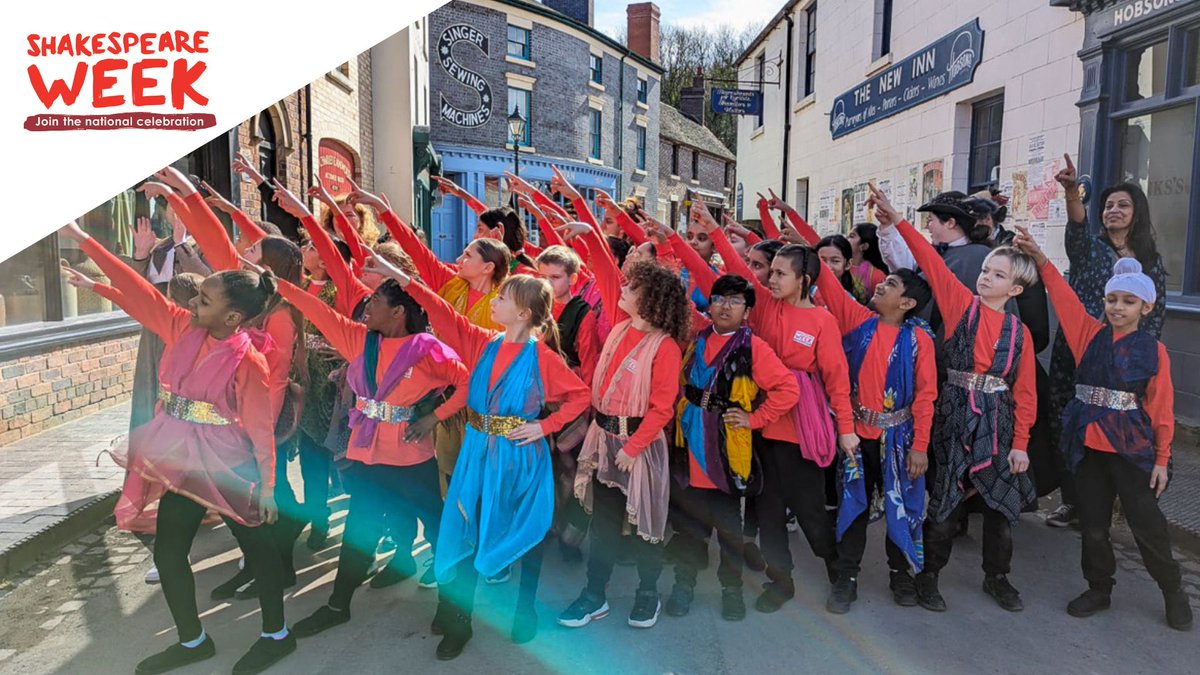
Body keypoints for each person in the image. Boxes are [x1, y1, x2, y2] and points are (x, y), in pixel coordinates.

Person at [60, 221, 295, 675]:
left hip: (229, 465)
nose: (192, 302)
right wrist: (88, 243)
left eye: (204, 300)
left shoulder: (251, 360)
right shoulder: (184, 328)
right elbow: (142, 294)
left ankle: (276, 635)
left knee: (261, 549)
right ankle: (193, 641)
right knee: (169, 552)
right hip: (181, 459)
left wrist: (267, 487)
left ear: (232, 318)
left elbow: (261, 428)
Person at [371, 253, 590, 658]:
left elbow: (580, 396)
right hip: (477, 452)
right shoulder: (484, 342)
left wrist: (543, 427)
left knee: (527, 532)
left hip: (519, 457)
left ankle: (525, 609)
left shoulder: (541, 357)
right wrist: (402, 276)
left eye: (502, 298)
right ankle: (459, 619)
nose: (493, 301)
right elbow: (441, 309)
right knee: (465, 527)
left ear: (522, 312)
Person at [271, 272, 469, 639]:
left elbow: (467, 381)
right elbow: (315, 308)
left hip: (411, 459)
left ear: (398, 312)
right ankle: (337, 605)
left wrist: (433, 417)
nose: (367, 306)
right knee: (358, 529)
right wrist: (277, 282)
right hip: (368, 455)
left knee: (440, 531)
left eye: (375, 301)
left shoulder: (427, 348)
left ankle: (454, 612)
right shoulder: (360, 340)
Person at [869, 183, 1037, 614]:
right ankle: (928, 576)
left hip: (998, 423)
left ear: (1015, 289)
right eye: (985, 270)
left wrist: (1020, 443)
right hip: (955, 414)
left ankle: (997, 578)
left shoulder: (1020, 334)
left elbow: (1025, 393)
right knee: (943, 504)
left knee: (1000, 509)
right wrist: (897, 219)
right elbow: (929, 261)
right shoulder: (962, 305)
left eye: (998, 275)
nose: (986, 277)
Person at [1013, 228, 1191, 631]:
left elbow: (1162, 410)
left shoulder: (1153, 351)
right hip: (1088, 448)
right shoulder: (1086, 334)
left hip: (1132, 451)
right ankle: (1099, 587)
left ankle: (1172, 590)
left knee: (1147, 525)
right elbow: (1062, 295)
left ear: (1146, 307)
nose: (1117, 307)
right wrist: (1040, 258)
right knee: (1093, 524)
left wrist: (1162, 459)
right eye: (1112, 299)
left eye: (1128, 301)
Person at [694, 203, 859, 614]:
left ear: (804, 280)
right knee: (767, 516)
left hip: (799, 434)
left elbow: (837, 380)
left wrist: (847, 430)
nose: (770, 278)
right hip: (759, 432)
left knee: (811, 517)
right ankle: (780, 581)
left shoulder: (822, 321)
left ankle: (841, 574)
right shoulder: (765, 305)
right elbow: (736, 265)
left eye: (781, 273)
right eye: (772, 271)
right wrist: (715, 230)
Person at [665, 274, 799, 622]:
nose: (725, 306)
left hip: (725, 453)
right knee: (690, 527)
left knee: (729, 532)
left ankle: (732, 590)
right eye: (719, 298)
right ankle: (684, 585)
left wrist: (754, 419)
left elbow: (788, 389)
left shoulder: (754, 347)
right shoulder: (699, 338)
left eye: (735, 300)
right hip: (689, 447)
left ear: (748, 310)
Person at [1045, 156, 1167, 529]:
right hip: (1079, 352)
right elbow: (1077, 225)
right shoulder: (1090, 248)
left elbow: (1156, 311)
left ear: (1137, 212)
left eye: (1123, 204)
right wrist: (1070, 191)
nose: (1114, 210)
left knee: (1118, 429)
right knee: (1068, 424)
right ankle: (1074, 503)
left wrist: (1142, 361)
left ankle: (1103, 505)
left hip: (1126, 362)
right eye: (1109, 205)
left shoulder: (1150, 259)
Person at [814, 259, 936, 613]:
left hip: (900, 438)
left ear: (907, 303)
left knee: (903, 505)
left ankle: (900, 573)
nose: (881, 285)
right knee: (853, 504)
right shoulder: (860, 322)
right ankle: (846, 577)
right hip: (856, 436)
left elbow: (926, 396)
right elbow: (830, 288)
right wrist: (804, 248)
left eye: (892, 284)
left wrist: (920, 447)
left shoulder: (918, 341)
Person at [847, 223, 888, 302]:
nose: (846, 238)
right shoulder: (839, 266)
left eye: (852, 236)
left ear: (864, 246)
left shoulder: (877, 276)